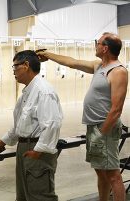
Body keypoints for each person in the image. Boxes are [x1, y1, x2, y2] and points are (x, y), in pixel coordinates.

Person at [37, 32, 128, 201]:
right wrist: (48, 55)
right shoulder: (99, 66)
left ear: (105, 48)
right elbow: (72, 62)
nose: (96, 45)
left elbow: (116, 109)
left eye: (98, 43)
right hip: (94, 126)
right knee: (101, 172)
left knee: (113, 174)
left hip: (104, 128)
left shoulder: (118, 71)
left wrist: (102, 133)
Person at [0, 50, 63, 201]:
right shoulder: (26, 94)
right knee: (23, 197)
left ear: (26, 65)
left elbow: (52, 125)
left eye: (15, 67)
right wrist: (2, 142)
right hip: (25, 149)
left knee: (41, 197)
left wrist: (38, 151)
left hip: (37, 150)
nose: (14, 71)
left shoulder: (43, 91)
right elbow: (19, 126)